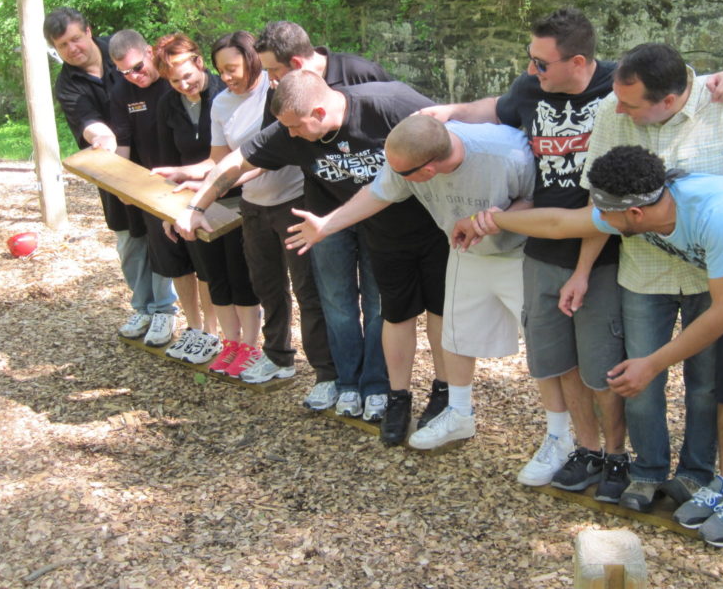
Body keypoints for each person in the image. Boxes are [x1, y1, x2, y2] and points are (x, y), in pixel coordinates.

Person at [419, 9, 723, 496]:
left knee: (604, 367)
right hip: (542, 249)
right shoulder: (531, 87)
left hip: (607, 254)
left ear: (578, 60)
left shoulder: (621, 91)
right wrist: (448, 112)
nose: (532, 71)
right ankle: (587, 449)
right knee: (559, 362)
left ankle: (622, 458)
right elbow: (497, 107)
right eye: (530, 61)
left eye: (541, 63)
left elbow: (679, 86)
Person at [467, 145, 723, 547]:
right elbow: (563, 222)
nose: (601, 222)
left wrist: (650, 364)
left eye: (606, 216)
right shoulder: (639, 207)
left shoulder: (716, 214)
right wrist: (488, 220)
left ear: (634, 216)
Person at [176, 68, 449, 430]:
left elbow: (447, 134)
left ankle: (379, 389)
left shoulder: (389, 104)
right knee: (337, 303)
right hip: (326, 221)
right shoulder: (292, 127)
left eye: (295, 127)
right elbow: (237, 161)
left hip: (393, 227)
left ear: (319, 113)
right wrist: (196, 207)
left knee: (380, 306)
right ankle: (346, 383)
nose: (289, 136)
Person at [288, 114, 536, 452]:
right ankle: (457, 413)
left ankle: (563, 439)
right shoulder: (412, 161)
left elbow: (543, 197)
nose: (392, 176)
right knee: (457, 335)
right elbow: (377, 192)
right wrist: (326, 226)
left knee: (545, 345)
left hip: (524, 252)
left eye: (400, 173)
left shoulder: (507, 155)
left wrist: (491, 220)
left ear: (427, 173)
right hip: (468, 249)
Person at [46, 7, 175, 339]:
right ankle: (142, 308)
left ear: (89, 31)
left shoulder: (121, 51)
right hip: (114, 166)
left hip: (156, 159)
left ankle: (164, 310)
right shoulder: (67, 85)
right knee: (129, 240)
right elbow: (89, 123)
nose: (73, 48)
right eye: (63, 45)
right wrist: (103, 138)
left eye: (76, 38)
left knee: (161, 236)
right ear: (56, 50)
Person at [151, 33, 258, 367]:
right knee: (214, 276)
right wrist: (171, 211)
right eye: (175, 81)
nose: (184, 84)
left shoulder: (226, 93)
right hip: (196, 203)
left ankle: (250, 347)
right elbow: (169, 167)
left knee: (241, 277)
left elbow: (226, 159)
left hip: (240, 196)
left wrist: (199, 183)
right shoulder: (168, 105)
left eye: (188, 75)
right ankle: (228, 343)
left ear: (199, 62)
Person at [108, 29, 213, 348]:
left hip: (199, 187)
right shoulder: (130, 93)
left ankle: (212, 330)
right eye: (124, 72)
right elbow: (123, 146)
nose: (133, 76)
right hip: (158, 192)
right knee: (173, 262)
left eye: (138, 67)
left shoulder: (189, 87)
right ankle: (192, 327)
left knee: (205, 264)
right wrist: (120, 185)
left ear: (150, 52)